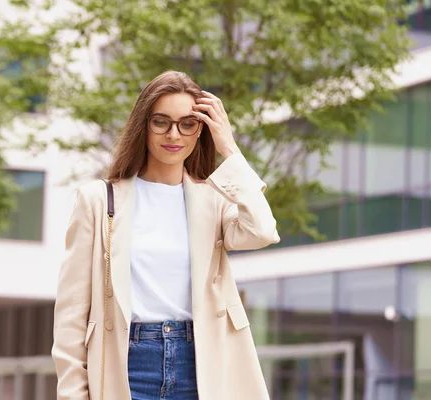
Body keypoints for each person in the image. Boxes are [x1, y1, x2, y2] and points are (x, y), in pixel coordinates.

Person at [52, 70, 280, 400]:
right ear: (143, 124)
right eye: (161, 122)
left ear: (200, 130)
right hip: (128, 364)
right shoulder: (98, 200)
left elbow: (262, 230)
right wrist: (73, 394)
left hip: (201, 363)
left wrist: (229, 148)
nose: (174, 134)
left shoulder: (214, 201)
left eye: (188, 123)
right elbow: (71, 315)